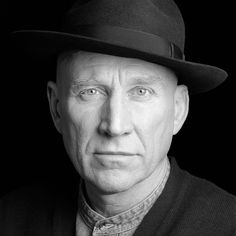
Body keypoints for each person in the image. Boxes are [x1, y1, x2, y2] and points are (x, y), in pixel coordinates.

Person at [1, 0, 235, 235]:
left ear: (179, 109)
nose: (115, 126)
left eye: (141, 92)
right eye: (90, 92)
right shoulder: (9, 218)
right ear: (56, 108)